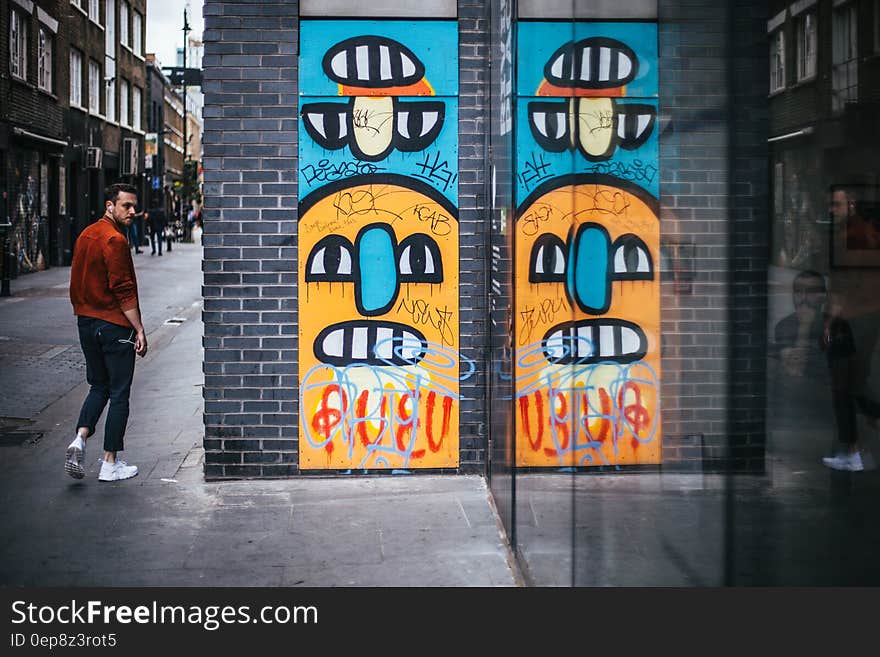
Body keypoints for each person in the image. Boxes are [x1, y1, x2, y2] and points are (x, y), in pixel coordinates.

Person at [65, 183, 147, 482]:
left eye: (134, 206)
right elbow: (123, 290)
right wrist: (138, 328)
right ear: (110, 206)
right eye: (126, 206)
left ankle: (80, 438)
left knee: (98, 386)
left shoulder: (86, 234)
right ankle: (110, 462)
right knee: (119, 393)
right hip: (112, 325)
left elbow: (75, 282)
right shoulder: (114, 240)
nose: (132, 212)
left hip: (86, 323)